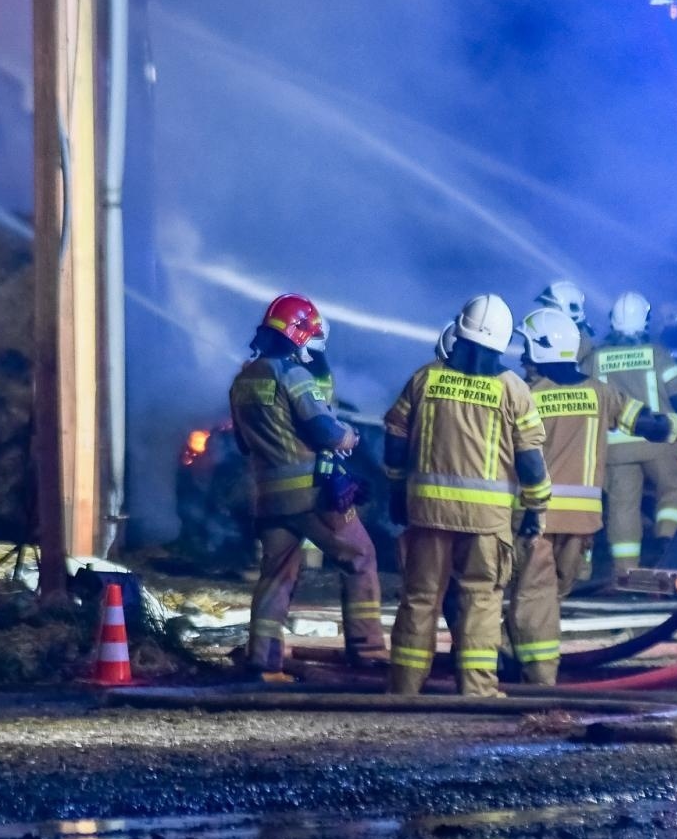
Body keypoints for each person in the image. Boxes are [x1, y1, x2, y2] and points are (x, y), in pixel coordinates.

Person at [384, 294, 550, 697]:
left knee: (420, 600)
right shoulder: (514, 390)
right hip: (487, 525)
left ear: (459, 332)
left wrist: (396, 491)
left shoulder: (424, 379)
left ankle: (403, 689)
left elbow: (394, 442)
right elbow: (530, 461)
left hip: (427, 514)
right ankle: (478, 691)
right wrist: (536, 506)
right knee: (481, 603)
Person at [509, 308, 675, 684]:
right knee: (552, 595)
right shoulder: (601, 393)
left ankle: (538, 680)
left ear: (541, 349)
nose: (522, 356)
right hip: (583, 522)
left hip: (534, 517)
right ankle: (533, 666)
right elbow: (651, 424)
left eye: (527, 347)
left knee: (536, 597)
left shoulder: (527, 395)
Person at [228, 293, 386, 679]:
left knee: (276, 575)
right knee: (360, 557)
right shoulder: (292, 375)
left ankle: (262, 658)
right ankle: (367, 651)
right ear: (299, 335)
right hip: (311, 494)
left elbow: (243, 444)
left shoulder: (243, 380)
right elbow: (323, 430)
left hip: (268, 498)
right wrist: (348, 437)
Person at [586, 291, 677, 570]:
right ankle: (665, 539)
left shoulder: (596, 358)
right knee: (676, 489)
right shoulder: (657, 353)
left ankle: (625, 571)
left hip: (614, 446)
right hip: (658, 442)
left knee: (622, 507)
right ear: (646, 321)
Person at [536, 281, 597, 362]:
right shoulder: (552, 338)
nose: (546, 311)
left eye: (551, 307)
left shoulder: (580, 345)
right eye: (546, 306)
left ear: (571, 309)